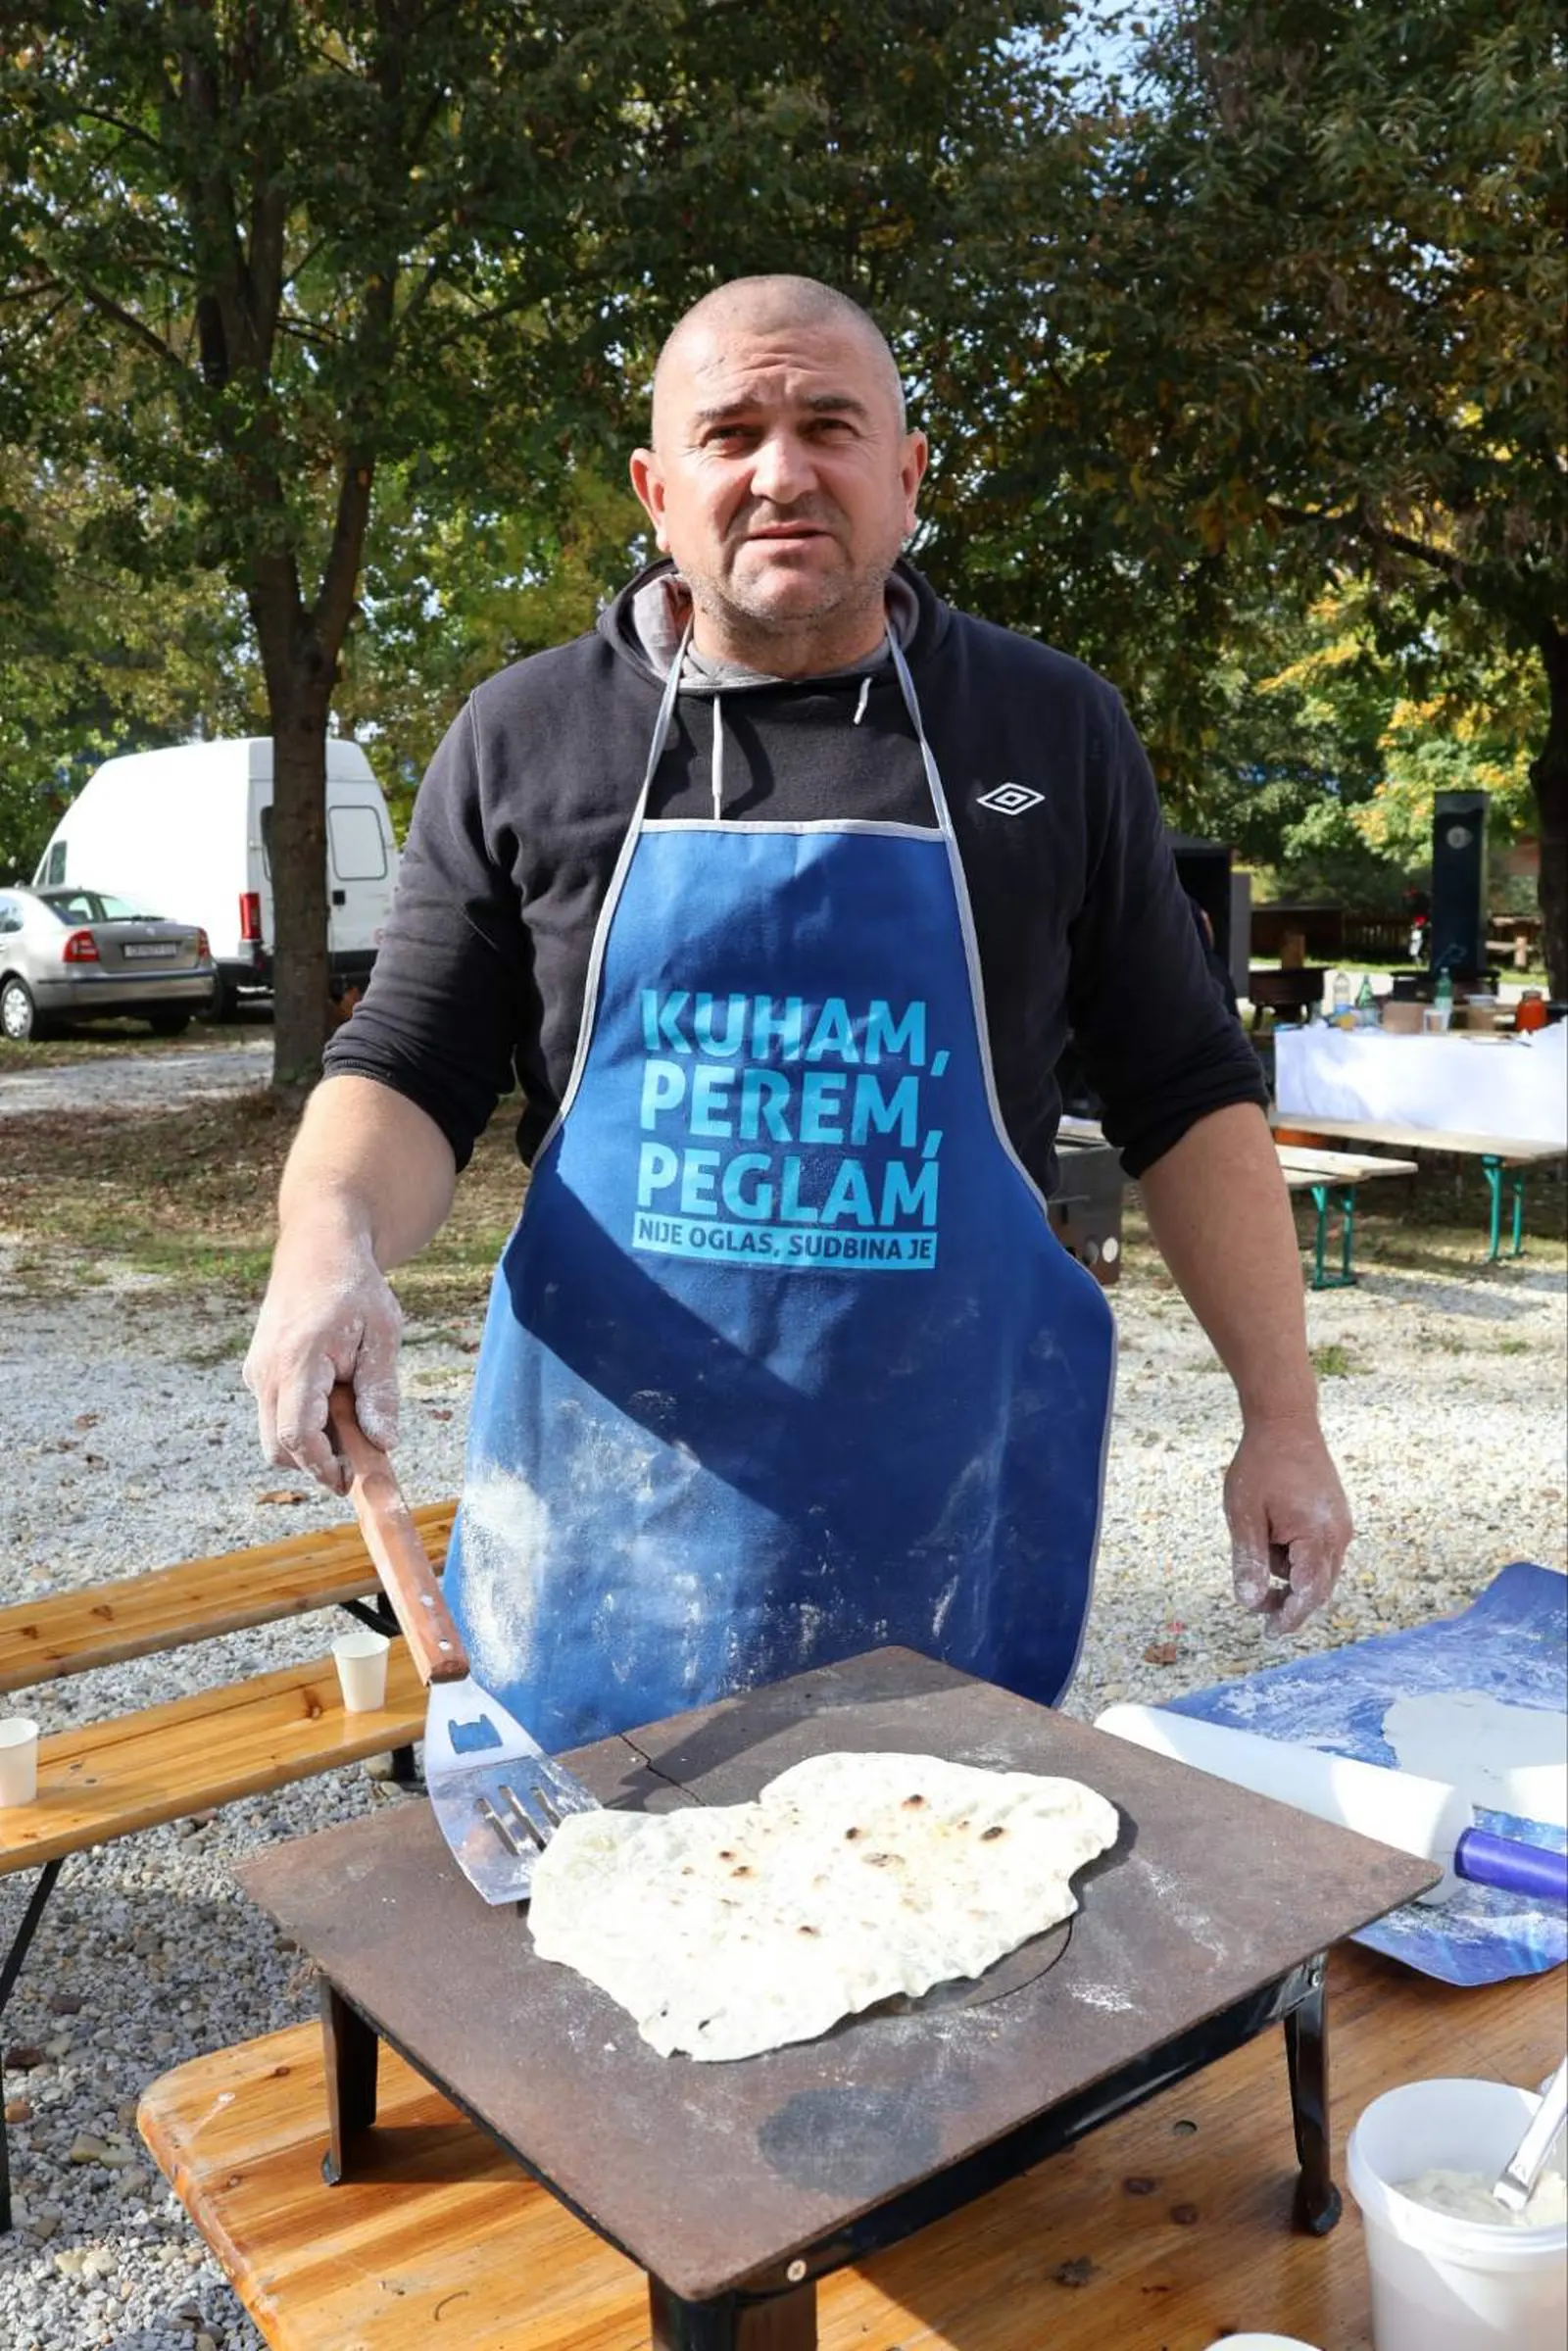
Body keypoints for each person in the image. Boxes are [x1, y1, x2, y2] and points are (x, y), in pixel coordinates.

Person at [244, 273, 1351, 1752]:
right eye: (731, 431)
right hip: (599, 1552)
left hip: (946, 1540)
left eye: (830, 425)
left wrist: (1281, 1413)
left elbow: (1187, 1089)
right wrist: (326, 1237)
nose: (781, 469)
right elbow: (409, 1067)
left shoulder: (1047, 729)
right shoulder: (528, 735)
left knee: (936, 1938)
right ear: (657, 487)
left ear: (906, 477)